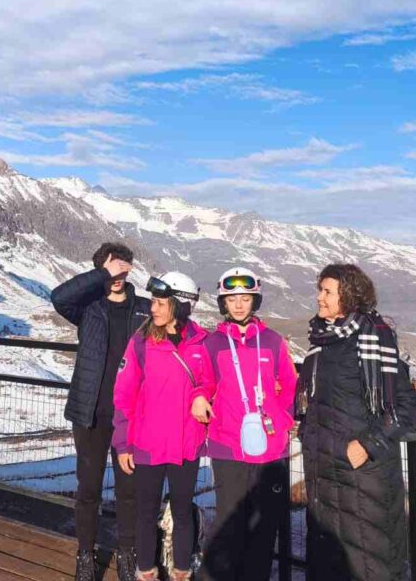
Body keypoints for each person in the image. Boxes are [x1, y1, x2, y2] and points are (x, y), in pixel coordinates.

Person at [297, 263, 416, 581]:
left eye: (328, 292)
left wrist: (366, 445)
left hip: (364, 481)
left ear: (349, 296)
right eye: (320, 290)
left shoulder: (373, 339)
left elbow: (406, 407)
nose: (319, 298)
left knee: (369, 567)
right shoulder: (321, 342)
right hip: (325, 480)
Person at [51, 242, 150, 581]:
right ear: (101, 269)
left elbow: (179, 324)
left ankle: (127, 554)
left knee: (129, 491)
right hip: (90, 413)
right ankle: (85, 555)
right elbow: (59, 297)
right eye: (111, 266)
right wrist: (102, 274)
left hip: (131, 417)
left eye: (123, 265)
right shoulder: (87, 308)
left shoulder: (145, 310)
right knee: (89, 489)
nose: (118, 272)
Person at [196, 267, 298, 581]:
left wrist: (281, 418)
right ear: (223, 303)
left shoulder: (273, 341)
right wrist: (199, 396)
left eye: (245, 298)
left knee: (263, 525)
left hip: (270, 447)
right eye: (232, 299)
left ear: (255, 301)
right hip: (227, 444)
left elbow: (290, 385)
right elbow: (204, 381)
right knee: (229, 521)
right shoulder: (213, 343)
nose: (239, 304)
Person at [113, 272, 210, 581]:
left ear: (179, 306)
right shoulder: (140, 342)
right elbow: (124, 394)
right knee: (145, 512)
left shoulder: (202, 342)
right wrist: (123, 443)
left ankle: (181, 572)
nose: (152, 308)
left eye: (159, 303)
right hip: (148, 444)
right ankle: (146, 572)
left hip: (186, 445)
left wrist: (201, 394)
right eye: (153, 302)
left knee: (182, 512)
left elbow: (211, 383)